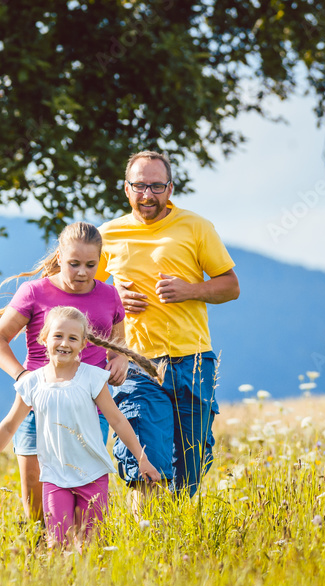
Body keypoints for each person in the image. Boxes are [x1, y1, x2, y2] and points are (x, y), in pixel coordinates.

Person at [96, 150, 240, 505]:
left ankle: (176, 531)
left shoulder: (197, 227)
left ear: (170, 188)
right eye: (140, 186)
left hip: (193, 361)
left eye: (156, 186)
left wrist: (190, 290)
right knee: (145, 462)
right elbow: (80, 292)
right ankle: (146, 533)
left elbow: (231, 286)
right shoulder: (107, 235)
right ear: (126, 188)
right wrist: (114, 296)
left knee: (190, 467)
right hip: (136, 364)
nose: (148, 195)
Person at [0, 307, 161, 546]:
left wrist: (142, 459)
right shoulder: (32, 382)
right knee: (58, 544)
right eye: (58, 336)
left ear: (83, 344)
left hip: (92, 476)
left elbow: (117, 420)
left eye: (73, 338)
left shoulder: (92, 377)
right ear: (44, 338)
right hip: (54, 478)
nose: (64, 343)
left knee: (92, 545)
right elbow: (8, 426)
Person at [0, 222, 127, 521]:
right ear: (59, 257)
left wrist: (119, 360)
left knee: (84, 503)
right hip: (37, 408)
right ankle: (42, 548)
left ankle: (81, 550)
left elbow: (117, 346)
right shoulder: (34, 292)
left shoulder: (110, 296)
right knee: (38, 507)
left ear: (100, 260)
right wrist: (22, 376)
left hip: (89, 411)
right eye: (74, 264)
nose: (82, 273)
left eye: (91, 265)